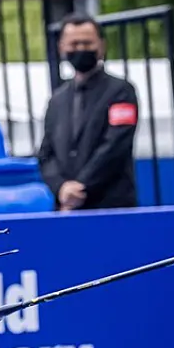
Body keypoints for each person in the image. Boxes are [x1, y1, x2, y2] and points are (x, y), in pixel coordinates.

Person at [37, 12, 139, 211]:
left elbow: (115, 146)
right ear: (62, 47)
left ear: (101, 46)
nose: (81, 49)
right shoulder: (57, 99)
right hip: (66, 209)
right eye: (74, 44)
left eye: (87, 43)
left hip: (112, 206)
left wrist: (80, 188)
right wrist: (62, 188)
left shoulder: (121, 91)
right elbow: (46, 154)